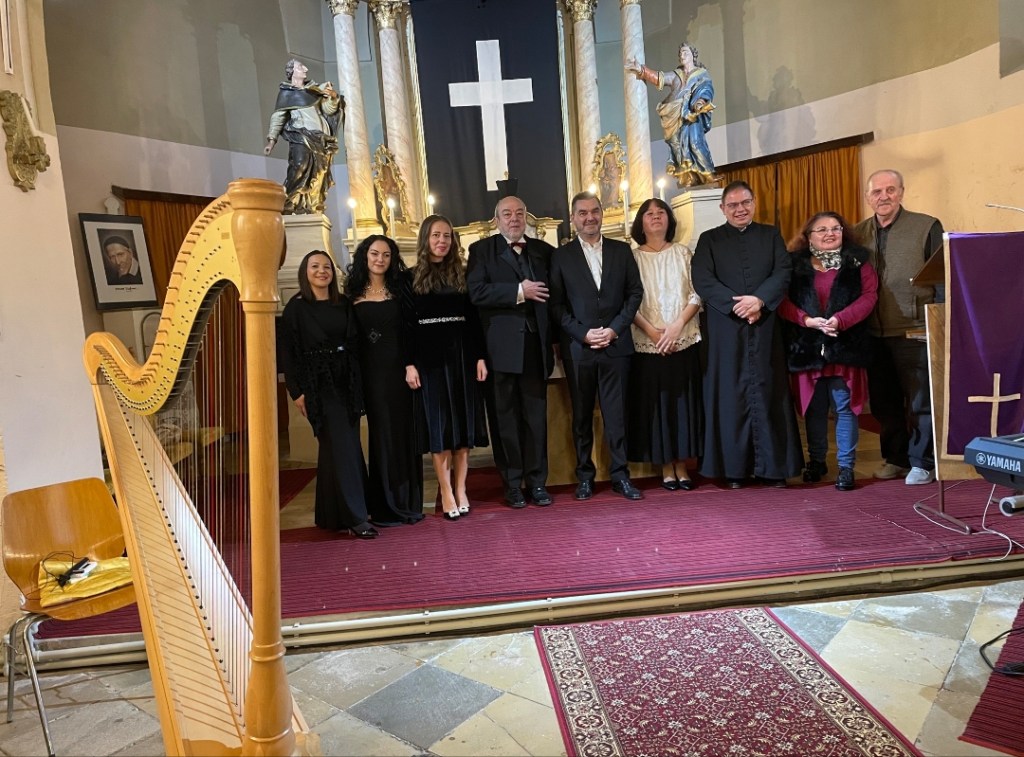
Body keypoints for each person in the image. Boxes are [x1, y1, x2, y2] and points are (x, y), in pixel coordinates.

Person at [691, 180, 803, 488]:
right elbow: (702, 278)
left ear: (753, 204)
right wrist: (737, 306)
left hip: (764, 325)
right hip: (726, 330)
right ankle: (734, 470)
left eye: (745, 203)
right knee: (729, 396)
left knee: (769, 392)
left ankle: (773, 469)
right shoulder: (709, 240)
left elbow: (783, 271)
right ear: (722, 208)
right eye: (733, 205)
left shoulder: (770, 235)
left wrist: (760, 301)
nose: (740, 209)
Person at [549, 192, 645, 501]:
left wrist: (615, 329)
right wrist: (583, 334)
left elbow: (635, 293)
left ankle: (620, 475)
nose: (589, 217)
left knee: (617, 416)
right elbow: (556, 305)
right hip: (580, 350)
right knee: (581, 417)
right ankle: (585, 477)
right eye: (582, 213)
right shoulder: (561, 257)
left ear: (602, 214)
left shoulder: (621, 250)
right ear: (573, 218)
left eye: (594, 211)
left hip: (616, 347)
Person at [853, 169, 944, 486]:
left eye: (890, 190)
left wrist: (940, 321)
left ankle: (923, 462)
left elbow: (942, 276)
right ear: (868, 197)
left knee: (920, 401)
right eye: (877, 192)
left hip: (914, 327)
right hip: (872, 331)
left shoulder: (926, 226)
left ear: (901, 192)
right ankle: (896, 458)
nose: (884, 197)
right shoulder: (857, 233)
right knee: (884, 402)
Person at [279, 250, 377, 539]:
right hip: (318, 385)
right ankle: (356, 517)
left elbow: (356, 342)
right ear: (305, 272)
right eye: (315, 266)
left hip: (347, 382)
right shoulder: (296, 308)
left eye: (327, 267)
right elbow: (288, 353)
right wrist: (296, 392)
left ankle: (331, 514)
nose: (322, 271)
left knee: (340, 447)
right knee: (342, 446)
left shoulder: (343, 303)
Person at [779, 213, 879, 492]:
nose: (829, 233)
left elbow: (869, 296)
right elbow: (782, 300)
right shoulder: (793, 264)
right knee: (815, 409)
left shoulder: (858, 262)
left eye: (835, 228)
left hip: (845, 345)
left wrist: (840, 320)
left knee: (845, 408)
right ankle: (817, 461)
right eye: (821, 229)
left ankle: (846, 467)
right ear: (808, 236)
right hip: (807, 346)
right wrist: (806, 320)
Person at [467, 196, 555, 508]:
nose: (514, 218)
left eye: (519, 213)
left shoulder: (544, 251)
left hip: (535, 348)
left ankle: (537, 482)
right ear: (497, 220)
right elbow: (476, 292)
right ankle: (513, 485)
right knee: (504, 420)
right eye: (507, 214)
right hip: (500, 351)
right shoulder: (481, 251)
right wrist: (519, 291)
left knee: (535, 419)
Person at [405, 215, 489, 521]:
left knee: (462, 426)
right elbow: (407, 325)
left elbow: (474, 319)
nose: (442, 241)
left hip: (462, 356)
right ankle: (445, 491)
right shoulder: (410, 277)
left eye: (447, 236)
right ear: (425, 239)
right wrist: (409, 363)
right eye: (436, 235)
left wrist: (479, 356)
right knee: (439, 427)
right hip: (428, 360)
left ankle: (461, 488)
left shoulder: (463, 274)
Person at [346, 235, 425, 526]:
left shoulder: (402, 287)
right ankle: (383, 505)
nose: (380, 259)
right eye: (375, 254)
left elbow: (412, 329)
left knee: (404, 433)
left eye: (386, 255)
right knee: (380, 435)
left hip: (400, 371)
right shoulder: (352, 292)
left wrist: (411, 364)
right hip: (370, 373)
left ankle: (407, 502)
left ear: (392, 259)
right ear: (365, 256)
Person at [626, 198, 703, 491]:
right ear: (641, 222)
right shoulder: (632, 258)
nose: (656, 217)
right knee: (656, 405)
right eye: (649, 213)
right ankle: (664, 465)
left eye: (661, 212)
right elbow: (626, 300)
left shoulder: (683, 253)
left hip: (681, 339)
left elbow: (697, 293)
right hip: (647, 341)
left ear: (669, 219)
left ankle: (681, 463)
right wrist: (653, 332)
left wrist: (676, 327)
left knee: (681, 403)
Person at [626, 43, 715, 188]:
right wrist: (641, 69)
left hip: (691, 114)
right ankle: (687, 176)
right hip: (673, 114)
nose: (682, 56)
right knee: (677, 146)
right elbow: (659, 78)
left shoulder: (701, 74)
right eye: (680, 53)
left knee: (695, 142)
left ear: (693, 55)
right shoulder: (676, 75)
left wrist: (699, 102)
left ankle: (707, 174)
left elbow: (706, 89)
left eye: (685, 52)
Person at [264, 58, 344, 215]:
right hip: (301, 136)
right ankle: (287, 202)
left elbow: (328, 110)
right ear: (292, 71)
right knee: (299, 166)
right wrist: (271, 141)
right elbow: (278, 117)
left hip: (321, 140)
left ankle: (311, 205)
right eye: (301, 67)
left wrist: (333, 97)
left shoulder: (314, 91)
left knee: (319, 173)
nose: (305, 69)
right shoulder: (286, 94)